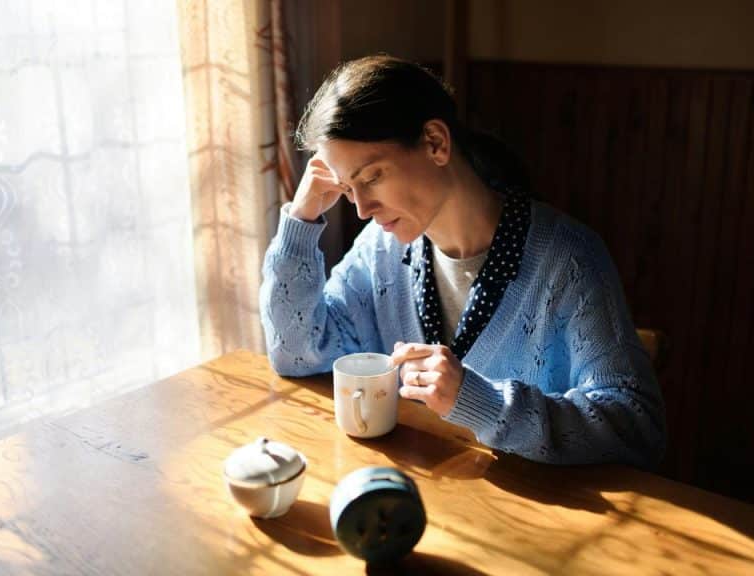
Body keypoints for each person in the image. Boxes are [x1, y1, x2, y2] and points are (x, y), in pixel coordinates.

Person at [259, 55, 665, 468]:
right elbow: (297, 354)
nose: (362, 209)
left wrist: (482, 402)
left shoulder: (569, 260)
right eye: (348, 189)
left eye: (372, 177)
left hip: (539, 504)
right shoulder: (379, 249)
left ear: (435, 142)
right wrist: (301, 220)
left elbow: (638, 428)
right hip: (419, 494)